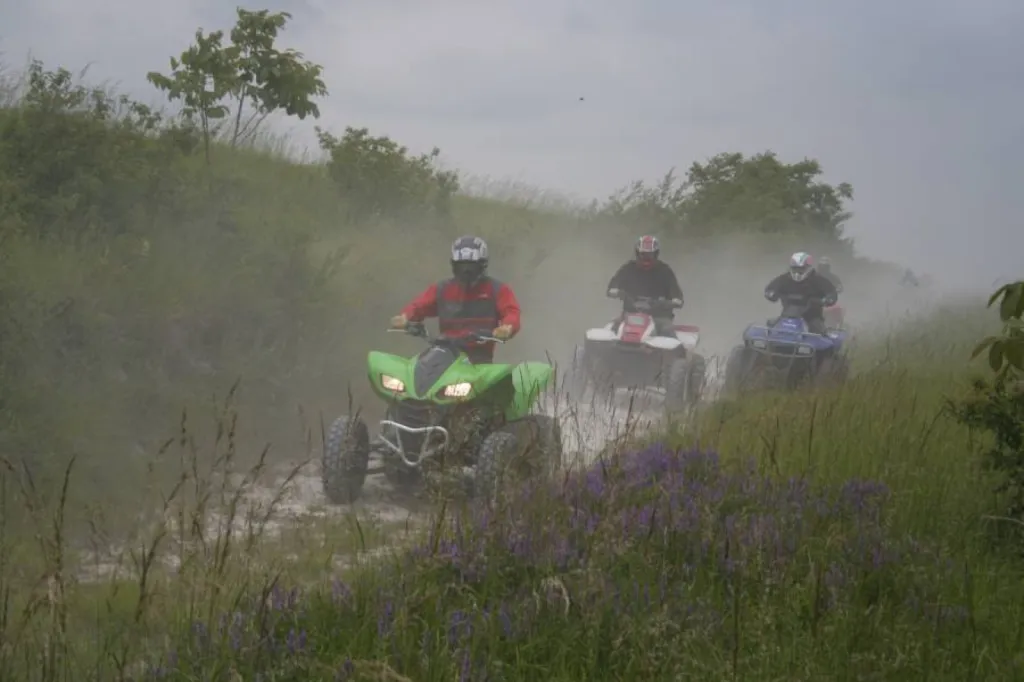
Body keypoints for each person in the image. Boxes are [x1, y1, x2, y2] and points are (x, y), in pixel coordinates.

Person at [389, 235, 521, 364]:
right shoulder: (442, 289)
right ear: (453, 266)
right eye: (461, 266)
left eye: (471, 266)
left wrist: (507, 328)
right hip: (443, 354)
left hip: (478, 358)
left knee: (498, 381)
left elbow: (511, 312)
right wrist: (405, 317)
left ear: (482, 265)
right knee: (416, 371)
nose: (466, 271)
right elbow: (419, 306)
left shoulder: (497, 289)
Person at [605, 235, 685, 337]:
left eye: (650, 255)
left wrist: (666, 303)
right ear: (637, 254)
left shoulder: (665, 271)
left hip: (659, 318)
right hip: (630, 315)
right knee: (611, 329)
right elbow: (611, 288)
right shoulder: (628, 269)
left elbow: (678, 298)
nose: (646, 259)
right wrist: (620, 293)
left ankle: (678, 353)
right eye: (643, 255)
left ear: (656, 254)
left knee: (668, 333)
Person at [763, 252, 838, 335]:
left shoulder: (818, 280)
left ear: (808, 267)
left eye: (801, 269)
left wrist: (828, 299)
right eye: (795, 268)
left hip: (812, 317)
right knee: (769, 329)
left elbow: (831, 292)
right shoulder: (784, 279)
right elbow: (770, 288)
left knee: (820, 333)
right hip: (786, 316)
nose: (797, 272)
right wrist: (771, 293)